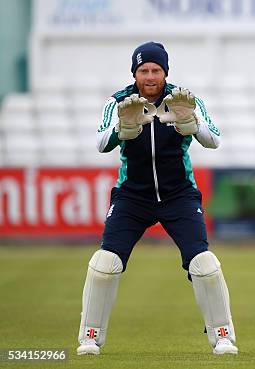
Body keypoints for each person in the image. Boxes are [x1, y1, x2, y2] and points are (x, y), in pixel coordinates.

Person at [76, 41, 238, 356]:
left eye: (156, 70)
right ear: (134, 72)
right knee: (105, 263)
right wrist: (121, 129)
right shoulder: (119, 101)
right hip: (132, 196)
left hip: (179, 194)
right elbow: (100, 143)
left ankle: (223, 336)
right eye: (143, 70)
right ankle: (89, 337)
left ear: (165, 71)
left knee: (203, 263)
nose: (150, 76)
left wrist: (192, 123)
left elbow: (213, 139)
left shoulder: (184, 99)